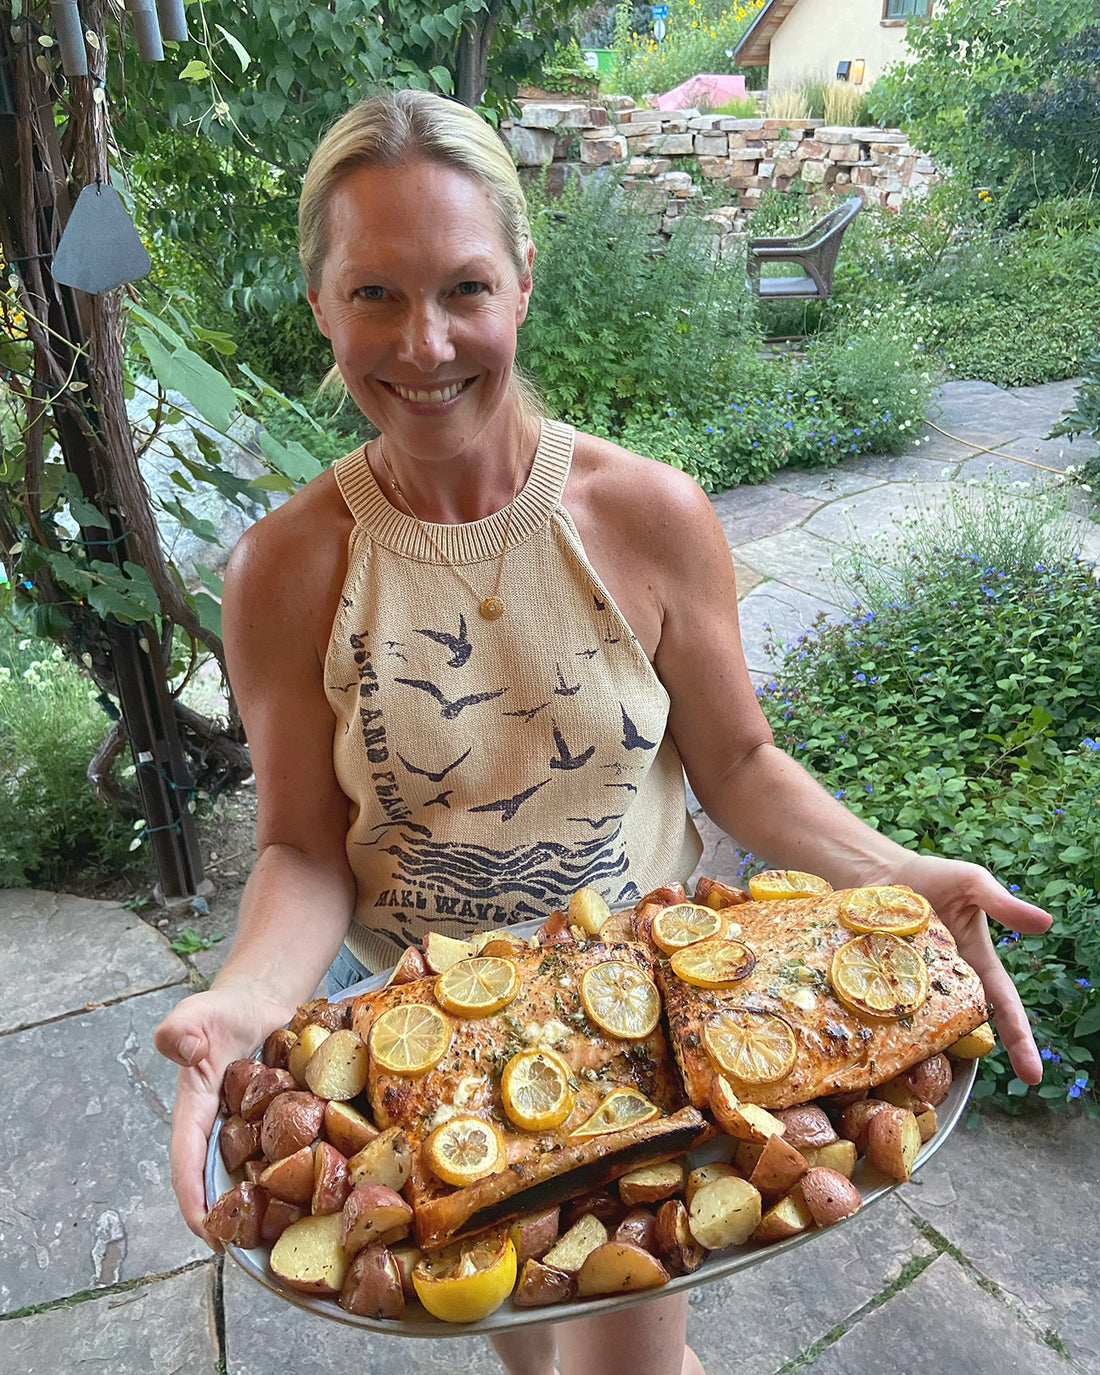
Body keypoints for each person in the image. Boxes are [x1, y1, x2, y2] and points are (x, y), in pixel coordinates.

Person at [154, 89, 1051, 1375]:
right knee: (529, 1340)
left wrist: (891, 879)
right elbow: (302, 846)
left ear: (522, 281)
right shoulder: (285, 570)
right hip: (442, 1076)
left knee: (625, 1362)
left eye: (464, 286)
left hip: (647, 1037)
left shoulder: (646, 516)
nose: (423, 342)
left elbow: (736, 764)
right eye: (373, 293)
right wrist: (242, 1004)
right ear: (319, 303)